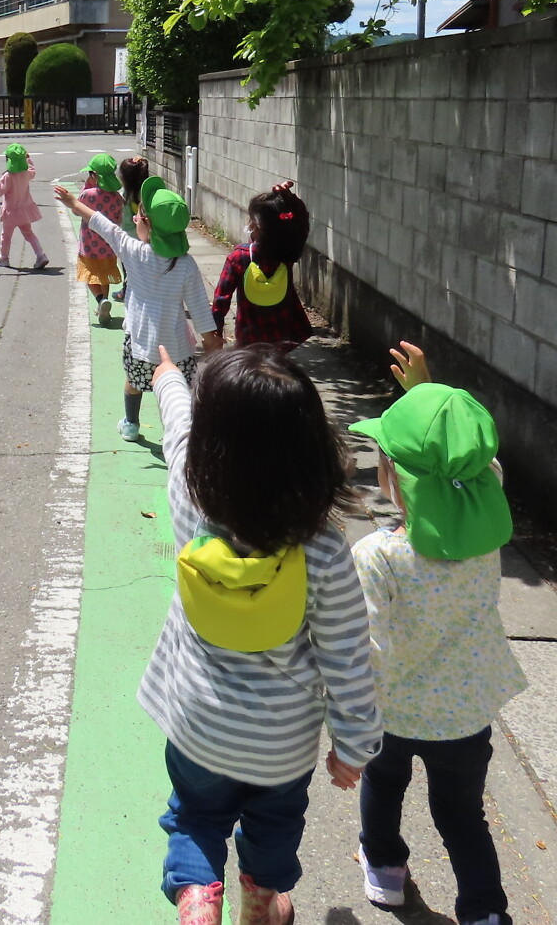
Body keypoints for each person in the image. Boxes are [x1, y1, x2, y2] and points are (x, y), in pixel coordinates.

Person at [141, 340, 382, 925]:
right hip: (281, 741)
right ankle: (259, 902)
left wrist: (168, 377)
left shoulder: (191, 502)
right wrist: (354, 745)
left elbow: (178, 429)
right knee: (274, 823)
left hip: (198, 720)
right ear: (310, 448)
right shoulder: (322, 549)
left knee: (195, 816)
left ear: (211, 449)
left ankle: (198, 899)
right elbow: (348, 654)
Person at [347, 342, 523, 925]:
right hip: (466, 712)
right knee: (463, 815)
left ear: (391, 476)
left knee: (384, 786)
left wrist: (348, 722)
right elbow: (476, 462)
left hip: (395, 712)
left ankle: (384, 869)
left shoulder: (378, 555)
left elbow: (368, 647)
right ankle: (484, 911)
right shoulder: (486, 530)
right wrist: (428, 396)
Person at [54, 175, 211, 442]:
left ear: (148, 226)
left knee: (133, 383)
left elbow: (102, 224)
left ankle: (131, 424)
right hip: (178, 349)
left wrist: (73, 203)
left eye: (139, 216)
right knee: (178, 391)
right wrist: (211, 341)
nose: (135, 219)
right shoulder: (186, 264)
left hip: (140, 344)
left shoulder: (133, 251)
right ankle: (182, 430)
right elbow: (199, 308)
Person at [210, 186, 314, 348]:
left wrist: (215, 332)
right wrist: (289, 199)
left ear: (256, 225)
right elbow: (302, 223)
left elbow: (221, 299)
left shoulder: (239, 257)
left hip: (249, 336)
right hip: (282, 335)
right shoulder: (286, 253)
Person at [69, 154, 125, 325]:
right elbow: (119, 218)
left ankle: (101, 300)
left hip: (89, 245)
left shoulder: (88, 194)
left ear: (94, 175)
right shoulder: (117, 197)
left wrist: (86, 187)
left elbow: (75, 211)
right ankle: (104, 304)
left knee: (89, 275)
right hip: (109, 245)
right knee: (104, 276)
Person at [0, 143, 48, 269]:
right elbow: (32, 170)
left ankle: (4, 258)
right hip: (24, 211)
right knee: (29, 234)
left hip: (10, 213)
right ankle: (41, 255)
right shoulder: (26, 173)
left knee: (6, 236)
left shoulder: (7, 177)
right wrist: (28, 160)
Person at [115, 155, 151, 303]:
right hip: (147, 239)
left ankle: (126, 291)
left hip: (129, 239)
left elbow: (122, 220)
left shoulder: (125, 195)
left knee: (128, 269)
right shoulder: (147, 194)